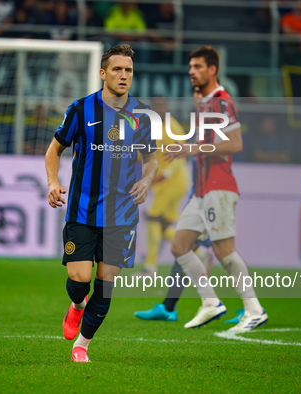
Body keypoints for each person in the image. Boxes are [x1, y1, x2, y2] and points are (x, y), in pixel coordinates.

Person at [45, 44, 158, 363]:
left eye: (129, 71)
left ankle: (81, 346)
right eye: (118, 69)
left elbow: (151, 160)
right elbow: (54, 150)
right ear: (103, 73)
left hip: (121, 216)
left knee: (106, 285)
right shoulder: (81, 109)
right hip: (82, 211)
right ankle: (77, 306)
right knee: (80, 280)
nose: (124, 75)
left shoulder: (142, 114)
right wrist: (53, 181)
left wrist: (147, 179)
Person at [151, 46, 267, 332]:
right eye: (190, 66)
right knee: (180, 247)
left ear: (212, 70)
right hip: (200, 190)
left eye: (198, 67)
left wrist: (191, 148)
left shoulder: (223, 102)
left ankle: (254, 309)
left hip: (219, 187)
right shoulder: (204, 102)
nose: (191, 71)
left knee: (224, 250)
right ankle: (210, 303)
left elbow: (236, 143)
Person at [134, 96, 190, 277]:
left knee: (152, 218)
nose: (159, 108)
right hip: (163, 184)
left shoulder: (173, 127)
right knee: (164, 225)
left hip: (173, 182)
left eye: (162, 105)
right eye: (156, 106)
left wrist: (164, 175)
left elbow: (181, 155)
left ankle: (150, 267)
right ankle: (197, 252)